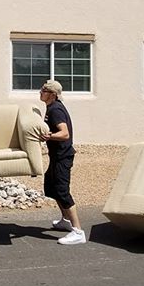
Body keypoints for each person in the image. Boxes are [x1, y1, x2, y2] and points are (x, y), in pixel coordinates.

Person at [39, 80, 86, 245]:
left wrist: (49, 136)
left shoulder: (56, 110)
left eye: (44, 90)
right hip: (56, 155)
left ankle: (78, 232)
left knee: (62, 191)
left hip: (62, 156)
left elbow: (64, 134)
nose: (40, 91)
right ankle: (65, 221)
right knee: (51, 186)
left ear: (52, 94)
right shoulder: (51, 108)